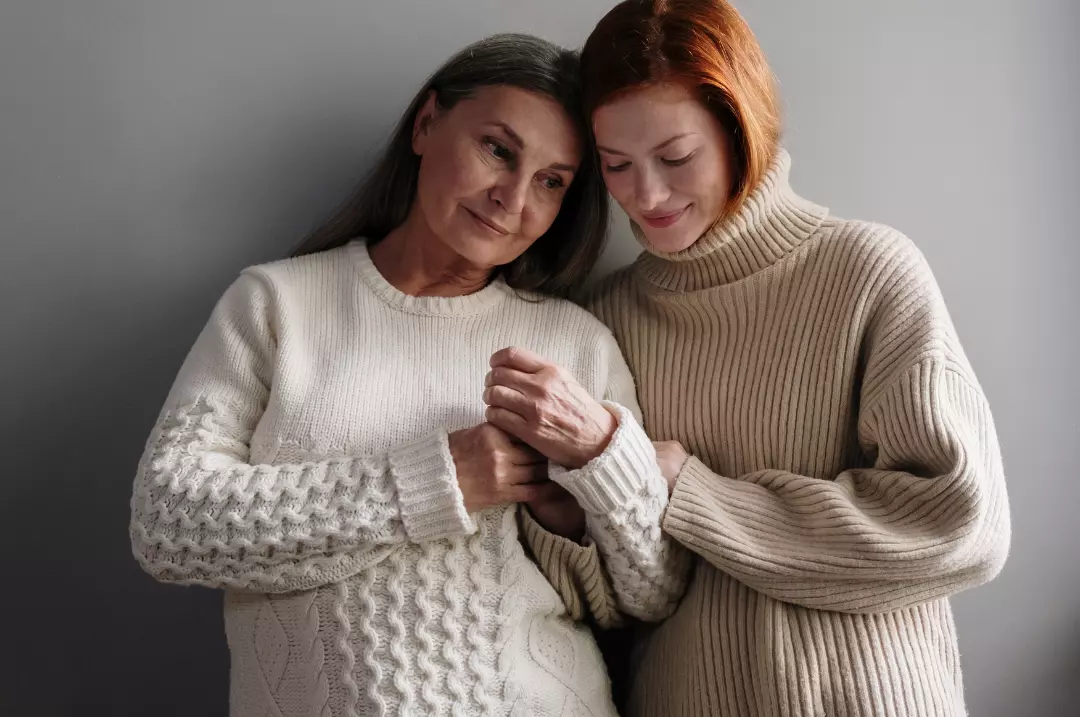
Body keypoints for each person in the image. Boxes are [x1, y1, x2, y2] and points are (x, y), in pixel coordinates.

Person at [129, 33, 686, 717]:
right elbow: (168, 524)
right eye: (498, 149)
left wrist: (594, 468)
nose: (512, 197)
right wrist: (437, 480)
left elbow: (650, 593)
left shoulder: (576, 343)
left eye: (551, 181)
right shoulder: (276, 305)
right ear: (426, 124)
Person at [504, 2, 1012, 716]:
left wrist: (695, 494)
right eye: (616, 165)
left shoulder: (866, 271)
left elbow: (960, 525)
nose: (646, 195)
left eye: (676, 158)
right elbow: (607, 607)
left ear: (740, 129)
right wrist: (568, 513)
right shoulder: (604, 319)